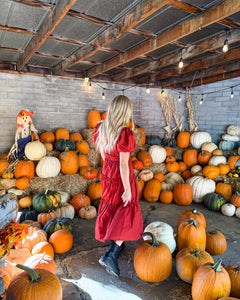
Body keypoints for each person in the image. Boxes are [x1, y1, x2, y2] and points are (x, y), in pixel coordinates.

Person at [93, 95, 143, 277]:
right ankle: (111, 254)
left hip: (108, 173)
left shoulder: (101, 128)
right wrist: (128, 188)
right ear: (125, 112)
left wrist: (110, 169)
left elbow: (104, 156)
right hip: (122, 176)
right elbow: (123, 164)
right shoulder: (124, 133)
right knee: (126, 208)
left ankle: (117, 243)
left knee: (112, 206)